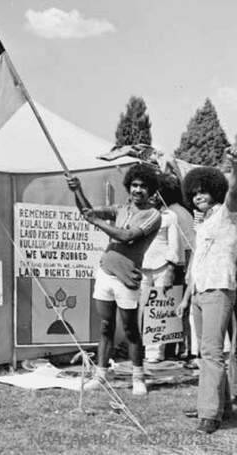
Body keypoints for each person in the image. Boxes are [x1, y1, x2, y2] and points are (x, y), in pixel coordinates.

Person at [67, 163, 161, 396]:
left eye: (143, 186)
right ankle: (100, 375)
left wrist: (97, 222)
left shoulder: (153, 215)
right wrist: (77, 191)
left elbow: (127, 236)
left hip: (127, 280)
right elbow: (88, 212)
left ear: (152, 191)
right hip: (105, 274)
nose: (138, 190)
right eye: (134, 185)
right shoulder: (121, 208)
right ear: (129, 187)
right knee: (106, 326)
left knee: (130, 330)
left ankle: (138, 377)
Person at [176, 145, 237, 434]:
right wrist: (187, 297)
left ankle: (209, 414)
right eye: (194, 193)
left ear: (215, 189)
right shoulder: (201, 224)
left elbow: (234, 191)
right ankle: (220, 407)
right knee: (206, 352)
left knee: (212, 353)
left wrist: (234, 165)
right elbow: (194, 266)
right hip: (200, 292)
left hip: (219, 289)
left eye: (203, 190)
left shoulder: (227, 213)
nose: (198, 196)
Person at [141, 177, 182, 363]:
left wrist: (171, 270)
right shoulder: (140, 214)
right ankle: (140, 349)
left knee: (159, 309)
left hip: (162, 266)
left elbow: (174, 246)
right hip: (141, 266)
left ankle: (155, 353)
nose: (153, 197)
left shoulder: (170, 216)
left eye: (157, 193)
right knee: (141, 308)